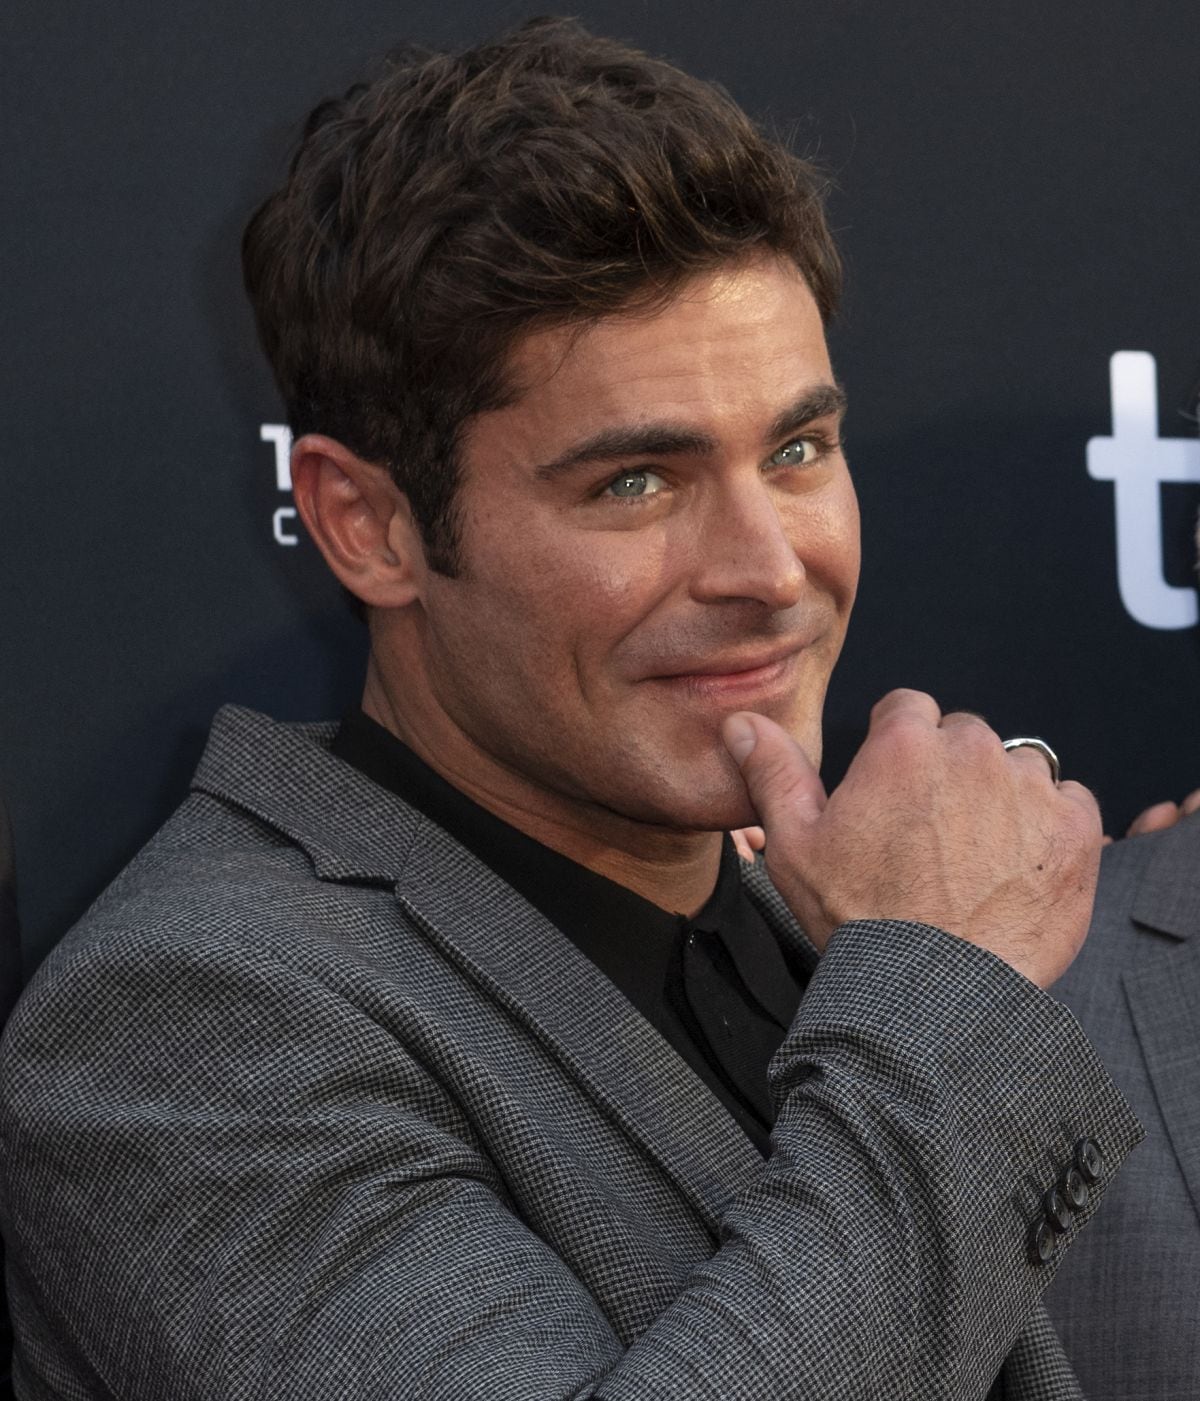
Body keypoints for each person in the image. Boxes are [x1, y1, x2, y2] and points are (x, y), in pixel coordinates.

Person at [0, 19, 1140, 1400]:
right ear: (364, 526)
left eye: (797, 449)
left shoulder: (810, 913)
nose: (772, 570)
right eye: (636, 483)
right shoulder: (183, 1023)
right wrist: (946, 995)